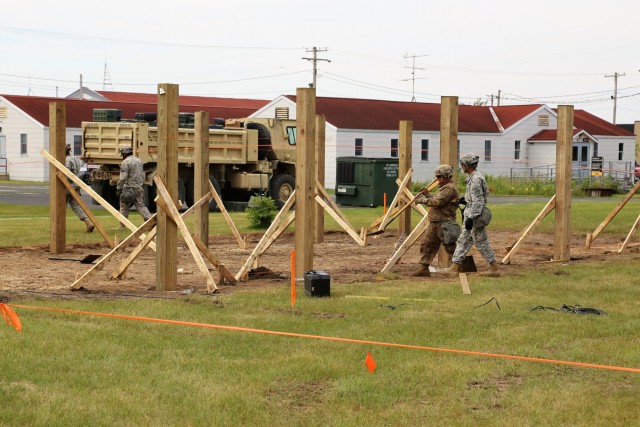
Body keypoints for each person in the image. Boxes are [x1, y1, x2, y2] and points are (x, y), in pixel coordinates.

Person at [441, 153, 500, 277]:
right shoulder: (473, 178)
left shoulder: (475, 180)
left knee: (480, 242)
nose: (461, 167)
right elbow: (475, 198)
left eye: (463, 164)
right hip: (471, 214)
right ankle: (455, 267)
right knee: (464, 240)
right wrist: (465, 200)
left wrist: (471, 218)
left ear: (468, 165)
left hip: (474, 217)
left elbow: (478, 201)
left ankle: (494, 267)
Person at [413, 164, 460, 277]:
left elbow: (437, 202)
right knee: (427, 245)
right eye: (437, 176)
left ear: (446, 176)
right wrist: (427, 194)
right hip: (434, 222)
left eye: (439, 177)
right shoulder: (443, 188)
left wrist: (422, 200)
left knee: (451, 246)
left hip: (445, 223)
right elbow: (435, 199)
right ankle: (424, 268)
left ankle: (463, 267)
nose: (437, 179)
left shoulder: (449, 188)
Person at [116, 146, 151, 225]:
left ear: (124, 154)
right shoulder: (139, 161)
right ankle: (150, 221)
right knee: (141, 205)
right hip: (139, 187)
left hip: (129, 188)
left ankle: (122, 224)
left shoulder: (126, 162)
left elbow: (123, 177)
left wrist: (119, 188)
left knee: (124, 205)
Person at [65, 144, 94, 232]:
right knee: (75, 206)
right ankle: (88, 222)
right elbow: (82, 167)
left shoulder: (66, 160)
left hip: (67, 186)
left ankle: (59, 226)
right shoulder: (75, 159)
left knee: (60, 207)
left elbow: (66, 175)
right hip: (76, 185)